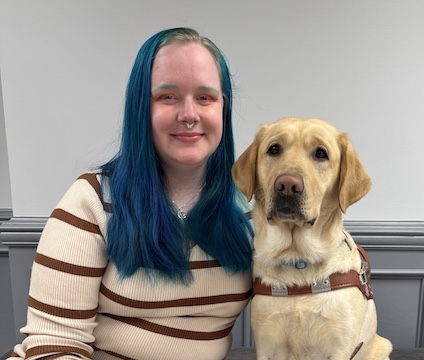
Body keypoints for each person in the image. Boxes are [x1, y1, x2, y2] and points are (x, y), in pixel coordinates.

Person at [8, 27, 254, 360]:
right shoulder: (91, 201)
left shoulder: (252, 208)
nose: (189, 114)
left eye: (205, 97)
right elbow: (54, 344)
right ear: (141, 108)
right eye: (168, 96)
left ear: (223, 107)